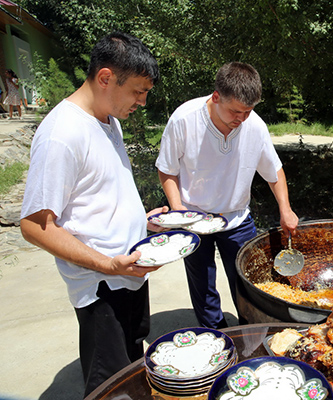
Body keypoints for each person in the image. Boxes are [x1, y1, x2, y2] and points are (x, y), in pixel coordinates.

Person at [20, 32, 167, 396]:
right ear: (105, 78)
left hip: (128, 272)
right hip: (102, 286)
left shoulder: (108, 119)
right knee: (110, 385)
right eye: (137, 91)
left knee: (133, 368)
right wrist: (107, 265)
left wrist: (140, 220)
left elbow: (97, 193)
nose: (143, 102)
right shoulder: (62, 133)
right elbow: (35, 226)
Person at [155, 62, 299, 329]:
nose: (242, 118)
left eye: (248, 110)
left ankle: (251, 332)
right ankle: (216, 337)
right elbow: (167, 169)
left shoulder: (254, 126)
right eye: (235, 111)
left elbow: (274, 171)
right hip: (193, 217)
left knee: (248, 282)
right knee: (202, 284)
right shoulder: (184, 119)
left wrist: (285, 209)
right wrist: (178, 210)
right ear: (216, 96)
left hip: (236, 217)